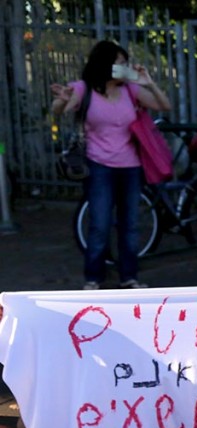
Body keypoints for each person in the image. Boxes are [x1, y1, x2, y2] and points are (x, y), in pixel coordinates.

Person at [50, 40, 171, 290]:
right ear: (105, 64)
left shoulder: (131, 91)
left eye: (125, 63)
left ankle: (130, 276)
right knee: (100, 224)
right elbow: (58, 110)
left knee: (130, 224)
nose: (124, 67)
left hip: (131, 166)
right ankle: (93, 278)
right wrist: (62, 101)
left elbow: (164, 105)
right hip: (99, 165)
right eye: (120, 63)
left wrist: (148, 83)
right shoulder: (84, 89)